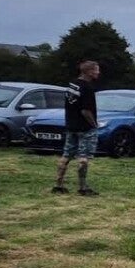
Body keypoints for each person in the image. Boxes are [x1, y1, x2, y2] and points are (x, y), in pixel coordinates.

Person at [52, 59, 103, 196]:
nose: (98, 72)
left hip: (71, 125)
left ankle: (58, 185)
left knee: (66, 155)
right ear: (89, 71)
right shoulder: (87, 88)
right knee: (83, 157)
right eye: (96, 70)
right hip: (85, 128)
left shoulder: (72, 85)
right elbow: (85, 110)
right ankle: (83, 187)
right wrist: (94, 124)